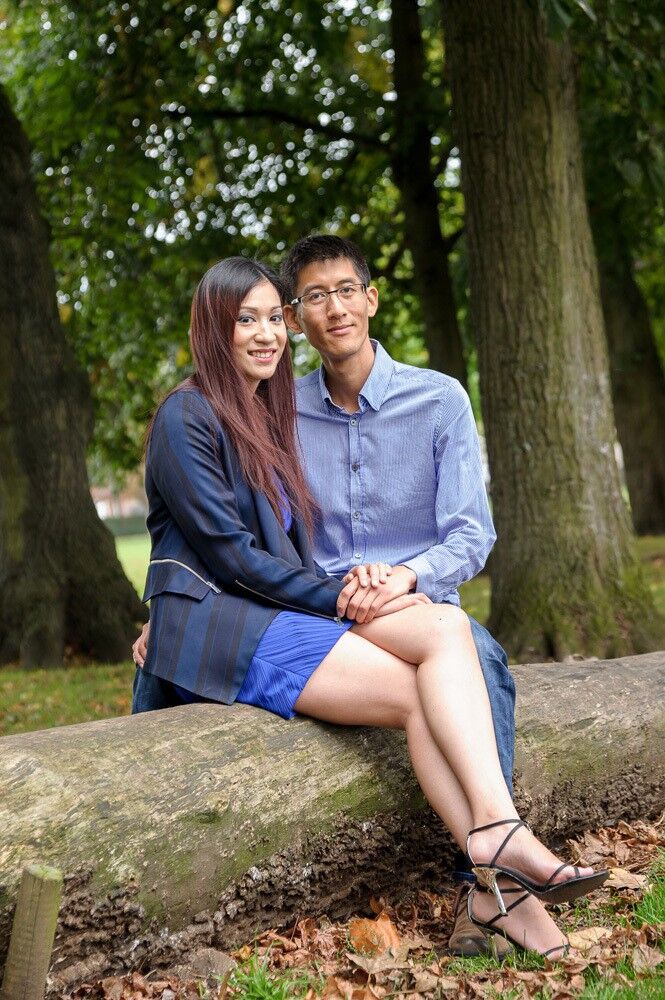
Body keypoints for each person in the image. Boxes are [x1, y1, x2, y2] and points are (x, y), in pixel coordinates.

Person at [132, 256, 606, 959]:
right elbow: (227, 558)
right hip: (223, 629)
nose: (265, 334)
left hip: (276, 615)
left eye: (271, 318)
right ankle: (500, 856)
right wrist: (339, 597)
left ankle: (493, 861)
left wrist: (369, 590)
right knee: (433, 669)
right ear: (212, 329)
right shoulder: (188, 415)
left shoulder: (264, 412)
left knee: (447, 627)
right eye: (246, 320)